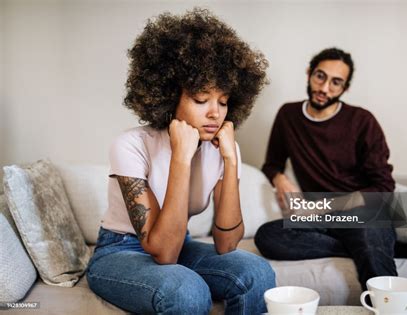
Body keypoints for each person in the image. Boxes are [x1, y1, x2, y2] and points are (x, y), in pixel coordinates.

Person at [86, 9, 275, 314]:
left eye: (223, 101)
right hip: (119, 251)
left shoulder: (222, 147)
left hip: (179, 242)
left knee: (256, 273)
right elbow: (164, 252)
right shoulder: (131, 145)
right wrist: (181, 157)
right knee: (186, 290)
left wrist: (231, 159)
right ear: (170, 95)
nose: (215, 112)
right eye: (201, 99)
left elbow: (226, 246)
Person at [254, 47, 407, 291]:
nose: (324, 88)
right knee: (268, 236)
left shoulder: (363, 121)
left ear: (345, 88)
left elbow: (383, 189)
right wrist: (280, 179)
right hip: (323, 221)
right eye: (320, 76)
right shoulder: (288, 115)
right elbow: (271, 163)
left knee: (365, 229)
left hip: (362, 215)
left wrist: (323, 206)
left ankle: (382, 276)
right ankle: (389, 248)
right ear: (309, 73)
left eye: (336, 82)